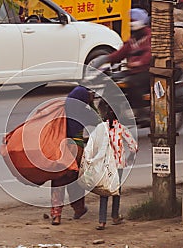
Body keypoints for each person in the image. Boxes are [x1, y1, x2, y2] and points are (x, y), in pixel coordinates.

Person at [50, 85, 100, 225]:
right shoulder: (84, 112)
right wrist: (91, 104)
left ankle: (56, 215)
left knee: (58, 182)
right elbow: (99, 122)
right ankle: (79, 208)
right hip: (76, 150)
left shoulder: (61, 109)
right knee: (75, 181)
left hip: (59, 150)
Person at [90, 8, 151, 111]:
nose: (130, 23)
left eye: (133, 20)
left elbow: (149, 54)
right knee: (113, 79)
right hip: (132, 71)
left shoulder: (149, 37)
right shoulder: (133, 39)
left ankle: (141, 112)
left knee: (132, 83)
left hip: (146, 71)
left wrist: (138, 63)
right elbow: (120, 53)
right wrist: (104, 59)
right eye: (130, 20)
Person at [96, 102, 138, 230]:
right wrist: (129, 158)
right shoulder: (121, 128)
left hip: (105, 165)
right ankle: (115, 216)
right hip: (119, 165)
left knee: (104, 192)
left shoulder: (100, 128)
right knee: (116, 191)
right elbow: (133, 146)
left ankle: (102, 221)